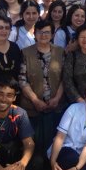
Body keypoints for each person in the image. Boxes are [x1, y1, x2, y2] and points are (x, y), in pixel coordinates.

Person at [18, 19, 65, 158]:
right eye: (40, 32)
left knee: (53, 138)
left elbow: (65, 78)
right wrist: (35, 100)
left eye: (47, 32)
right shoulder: (25, 53)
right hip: (32, 105)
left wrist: (57, 98)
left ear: (52, 34)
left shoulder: (60, 52)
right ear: (35, 33)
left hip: (55, 104)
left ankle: (51, 162)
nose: (43, 35)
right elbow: (22, 79)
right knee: (35, 141)